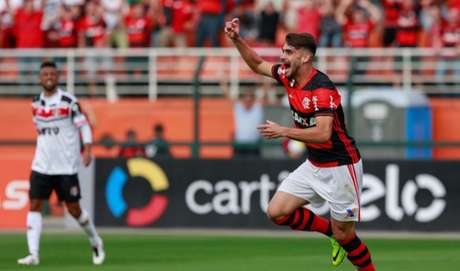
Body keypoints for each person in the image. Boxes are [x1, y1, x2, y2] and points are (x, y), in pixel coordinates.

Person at [225, 18, 376, 271]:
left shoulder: (322, 89)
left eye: (288, 52)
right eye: (283, 51)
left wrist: (283, 131)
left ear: (305, 58)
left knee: (346, 236)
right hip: (315, 164)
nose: (283, 57)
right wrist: (237, 39)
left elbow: (324, 134)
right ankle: (329, 233)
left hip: (341, 167)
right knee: (277, 212)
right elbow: (257, 64)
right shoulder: (288, 76)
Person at [17, 61, 105, 266]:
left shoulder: (69, 101)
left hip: (65, 166)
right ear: (40, 78)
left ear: (58, 77)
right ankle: (33, 254)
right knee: (35, 204)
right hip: (41, 165)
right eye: (45, 74)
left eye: (52, 74)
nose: (49, 77)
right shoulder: (35, 103)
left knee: (74, 210)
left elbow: (83, 127)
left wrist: (88, 149)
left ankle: (95, 240)